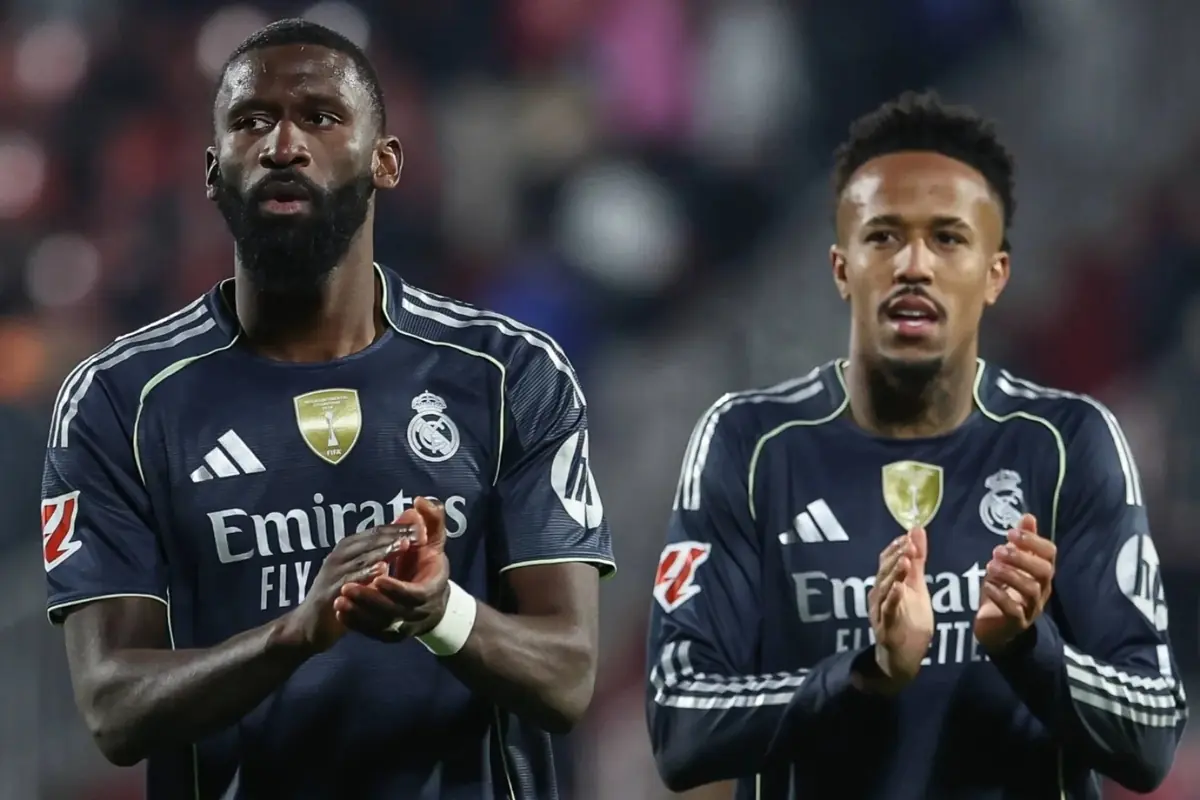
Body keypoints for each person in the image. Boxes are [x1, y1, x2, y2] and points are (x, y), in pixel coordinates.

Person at [42, 19, 613, 800]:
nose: (283, 144)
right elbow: (114, 707)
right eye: (251, 121)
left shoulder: (508, 374)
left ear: (386, 161)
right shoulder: (118, 402)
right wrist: (296, 634)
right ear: (212, 170)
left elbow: (568, 677)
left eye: (320, 116)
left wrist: (440, 612)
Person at [644, 90, 1186, 799]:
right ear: (843, 268)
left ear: (997, 273)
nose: (914, 265)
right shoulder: (750, 446)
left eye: (949, 238)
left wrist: (1029, 650)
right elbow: (679, 727)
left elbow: (1150, 738)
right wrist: (863, 674)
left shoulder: (1066, 444)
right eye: (884, 236)